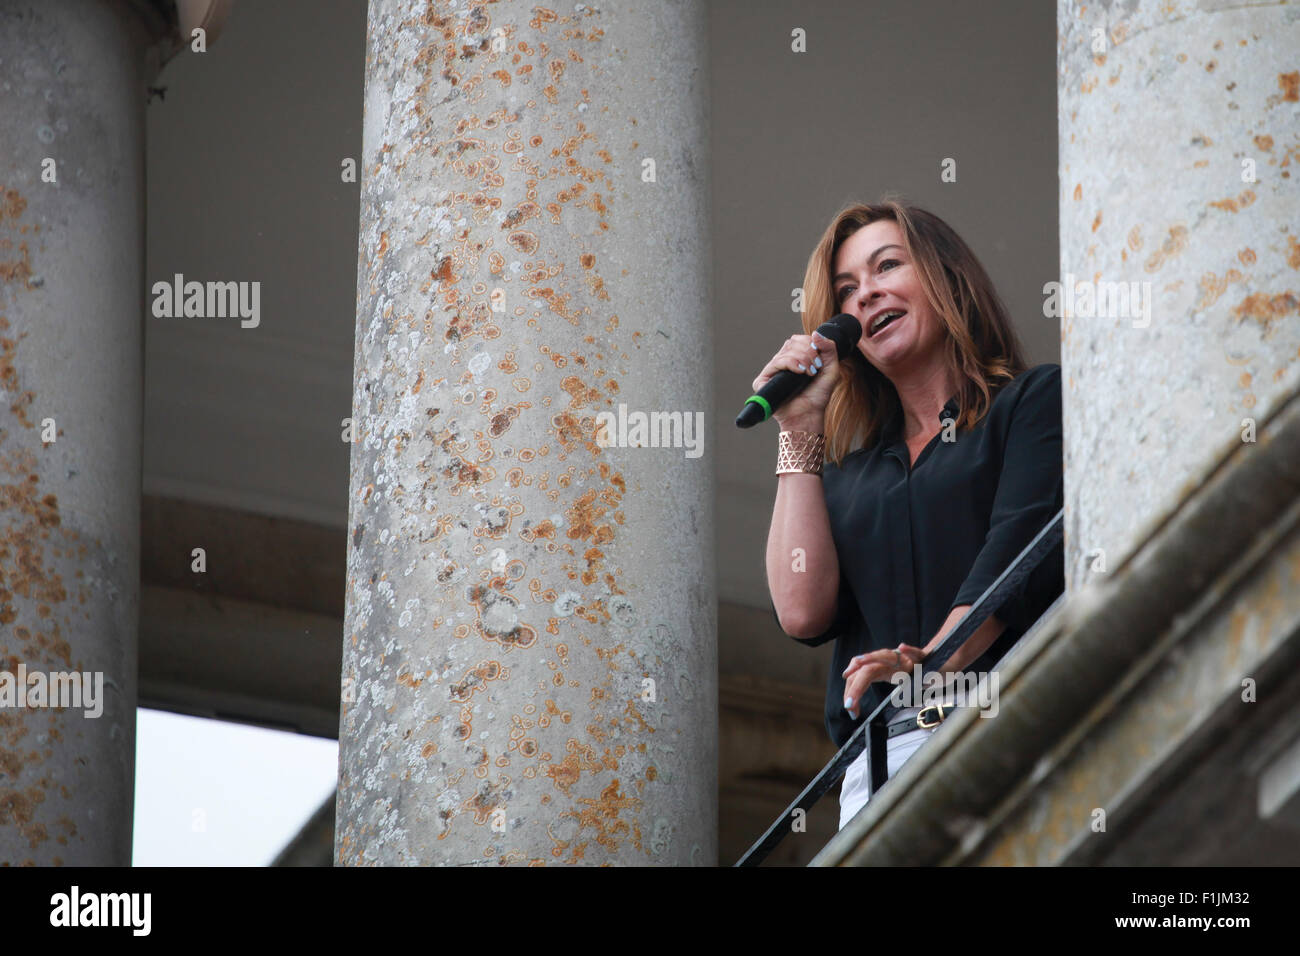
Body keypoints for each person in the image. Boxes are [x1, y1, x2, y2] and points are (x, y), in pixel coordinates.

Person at [759, 199, 1064, 831]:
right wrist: (798, 427)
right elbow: (800, 610)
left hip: (1003, 732)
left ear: (947, 277)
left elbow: (1016, 550)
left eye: (886, 267)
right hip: (874, 769)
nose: (866, 295)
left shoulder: (1032, 404)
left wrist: (929, 662)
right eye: (847, 290)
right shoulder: (848, 480)